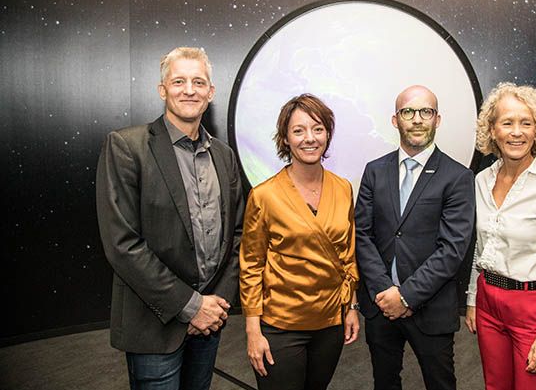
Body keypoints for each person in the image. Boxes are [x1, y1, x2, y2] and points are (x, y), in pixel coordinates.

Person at [96, 47, 244, 390]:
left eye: (198, 82)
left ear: (211, 92)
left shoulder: (224, 156)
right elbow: (122, 244)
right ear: (163, 89)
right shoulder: (126, 147)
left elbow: (237, 236)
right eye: (179, 81)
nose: (189, 90)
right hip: (153, 324)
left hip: (210, 321)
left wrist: (215, 305)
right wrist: (191, 307)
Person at [355, 85, 475, 390]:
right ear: (396, 120)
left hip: (430, 308)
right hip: (380, 305)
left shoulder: (457, 177)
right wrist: (385, 293)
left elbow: (452, 249)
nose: (417, 119)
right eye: (408, 112)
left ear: (437, 119)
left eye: (426, 112)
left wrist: (406, 296)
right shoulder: (374, 171)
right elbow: (363, 235)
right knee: (384, 383)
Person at [239, 93, 360, 390]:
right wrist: (253, 331)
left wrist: (352, 307)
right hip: (280, 327)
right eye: (299, 130)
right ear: (285, 138)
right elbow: (251, 266)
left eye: (318, 129)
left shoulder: (343, 188)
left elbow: (347, 254)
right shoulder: (264, 195)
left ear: (328, 135)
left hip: (330, 323)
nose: (310, 138)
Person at [465, 82, 536, 390]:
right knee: (495, 387)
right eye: (507, 122)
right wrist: (474, 300)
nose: (516, 132)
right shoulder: (481, 181)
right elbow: (481, 246)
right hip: (489, 300)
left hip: (534, 308)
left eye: (525, 123)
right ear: (492, 130)